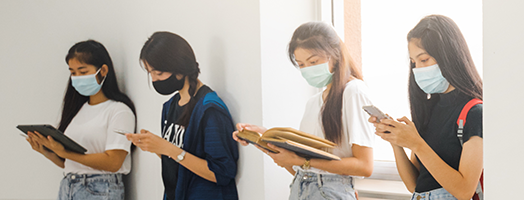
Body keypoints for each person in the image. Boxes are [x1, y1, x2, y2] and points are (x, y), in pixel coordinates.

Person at [232, 21, 374, 200]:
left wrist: (301, 162)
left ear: (335, 55)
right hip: (301, 187)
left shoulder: (353, 91)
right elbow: (303, 168)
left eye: (313, 61)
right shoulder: (314, 103)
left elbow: (365, 166)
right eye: (301, 64)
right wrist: (263, 139)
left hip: (329, 191)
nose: (308, 69)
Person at [369, 15, 483, 200]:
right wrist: (396, 142)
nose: (417, 69)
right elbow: (414, 185)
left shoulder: (474, 113)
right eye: (414, 62)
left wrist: (416, 143)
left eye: (424, 60)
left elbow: (464, 191)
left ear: (448, 56)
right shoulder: (429, 109)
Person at [125, 31, 238, 200]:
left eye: (159, 73)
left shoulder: (210, 109)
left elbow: (221, 172)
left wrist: (167, 148)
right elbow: (179, 158)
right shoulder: (170, 106)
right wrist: (156, 146)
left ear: (180, 68)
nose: (154, 80)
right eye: (150, 74)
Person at [26, 39, 136, 200]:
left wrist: (65, 152)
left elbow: (114, 162)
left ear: (103, 70)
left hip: (100, 189)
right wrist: (48, 151)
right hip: (69, 186)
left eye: (83, 72)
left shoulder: (119, 110)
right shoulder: (78, 109)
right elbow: (72, 164)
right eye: (73, 72)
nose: (77, 78)